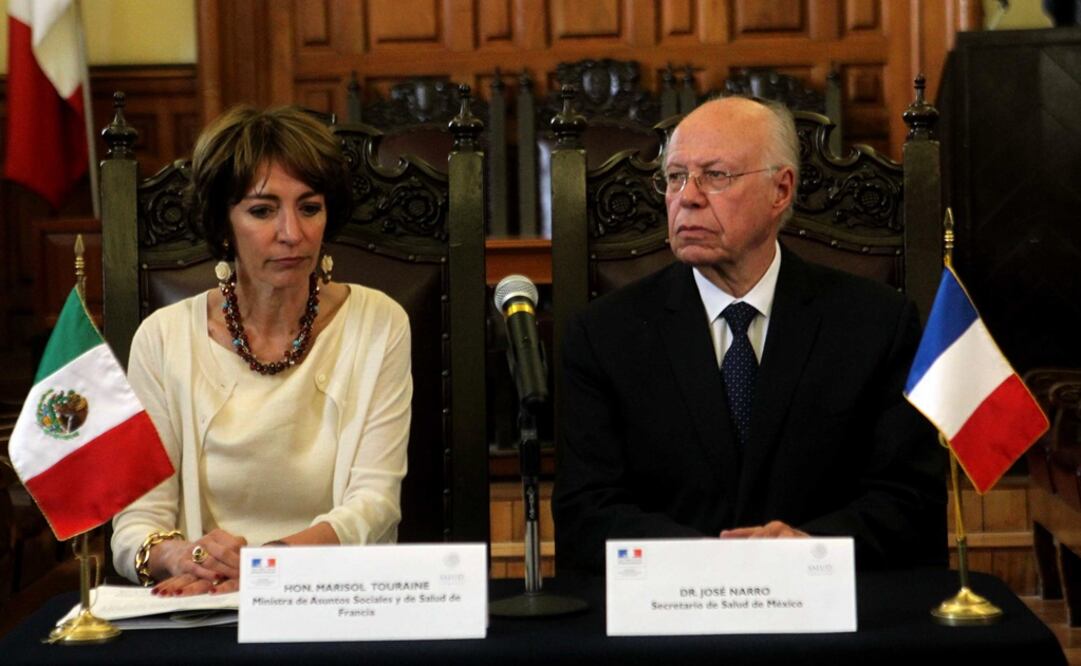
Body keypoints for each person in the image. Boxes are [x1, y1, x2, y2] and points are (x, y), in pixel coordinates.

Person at [553, 96, 945, 573]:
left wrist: (809, 548)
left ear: (780, 190)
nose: (688, 197)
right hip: (669, 618)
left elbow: (910, 500)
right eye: (675, 177)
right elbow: (584, 513)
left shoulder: (876, 323)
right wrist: (715, 564)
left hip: (828, 616)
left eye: (715, 176)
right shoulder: (605, 336)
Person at [112, 106, 412, 595]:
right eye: (262, 210)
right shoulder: (163, 338)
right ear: (223, 224)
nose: (292, 233)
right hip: (202, 601)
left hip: (336, 598)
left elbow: (374, 504)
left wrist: (264, 569)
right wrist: (186, 557)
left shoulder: (379, 323)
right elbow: (135, 524)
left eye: (309, 207)